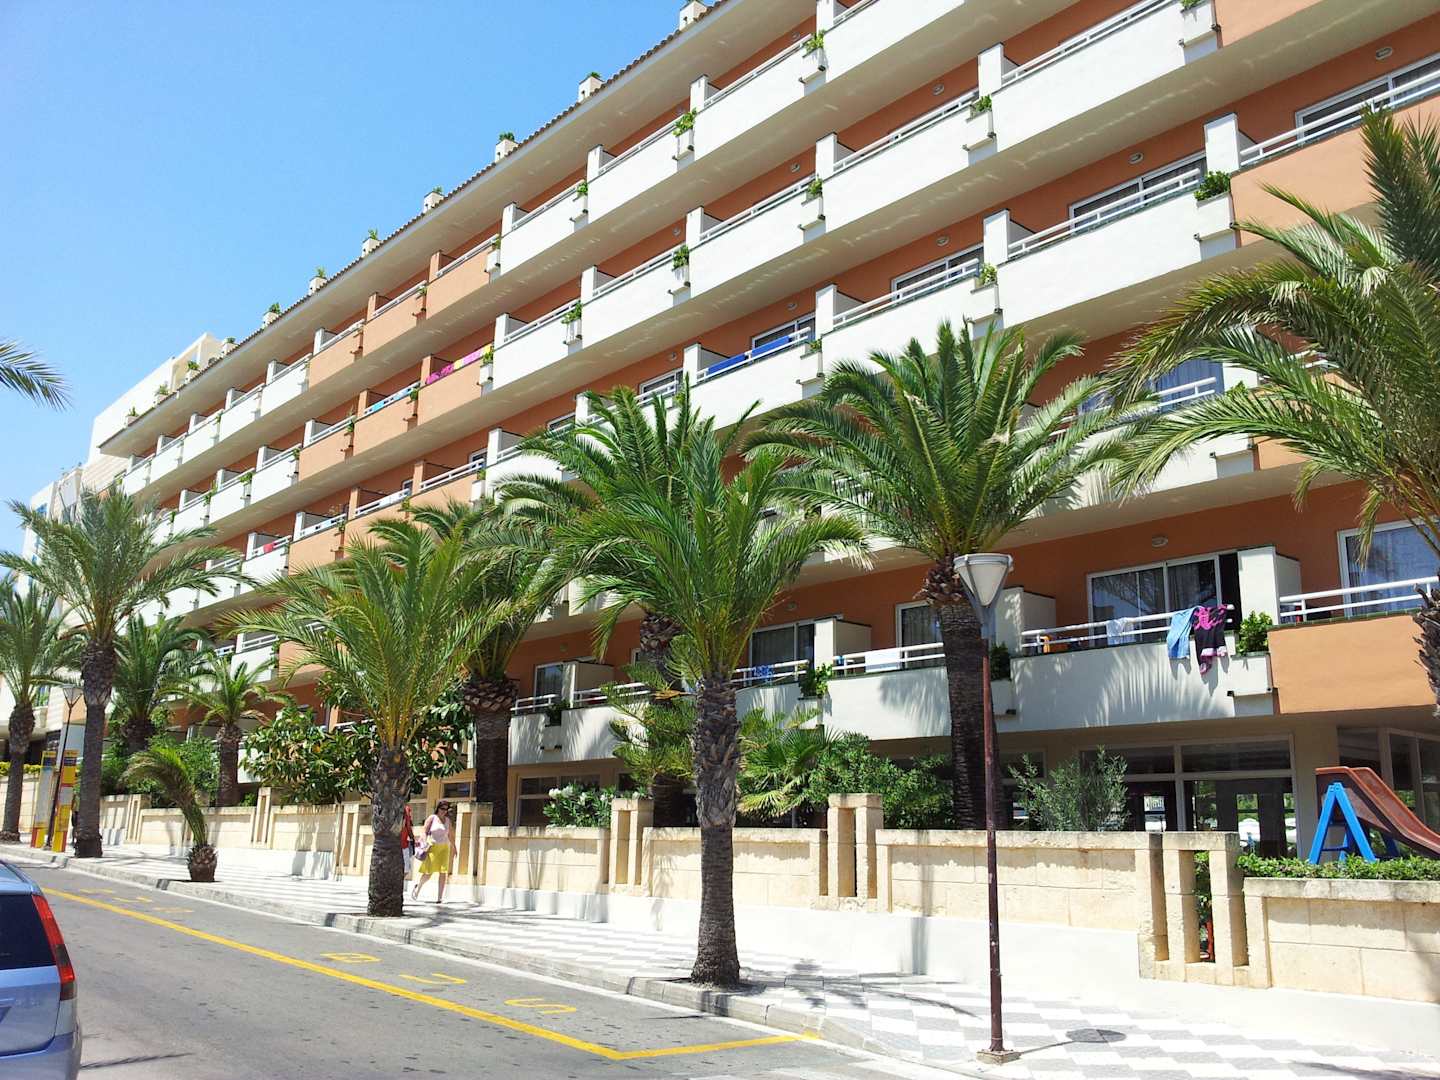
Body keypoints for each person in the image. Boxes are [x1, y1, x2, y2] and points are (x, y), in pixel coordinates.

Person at [411, 800, 453, 904]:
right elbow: (424, 831)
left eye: (446, 809)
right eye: (442, 808)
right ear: (438, 808)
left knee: (443, 872)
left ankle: (439, 897)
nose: (444, 811)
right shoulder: (432, 818)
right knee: (428, 873)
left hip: (444, 848)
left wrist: (454, 847)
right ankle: (418, 888)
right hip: (433, 847)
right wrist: (425, 842)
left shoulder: (448, 820)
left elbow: (450, 835)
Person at [401, 803, 417, 880]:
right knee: (405, 869)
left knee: (406, 870)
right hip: (401, 847)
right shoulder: (405, 808)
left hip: (404, 846)